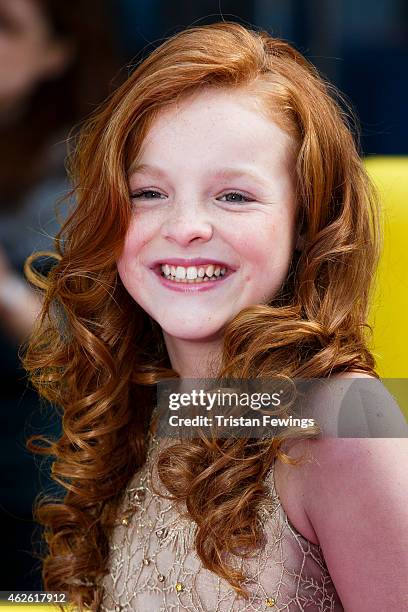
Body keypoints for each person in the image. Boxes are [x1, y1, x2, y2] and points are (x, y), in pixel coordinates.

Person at [23, 22, 408, 611]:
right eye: (148, 192)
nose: (184, 227)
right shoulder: (167, 403)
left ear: (308, 222)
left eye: (234, 196)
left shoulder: (346, 421)